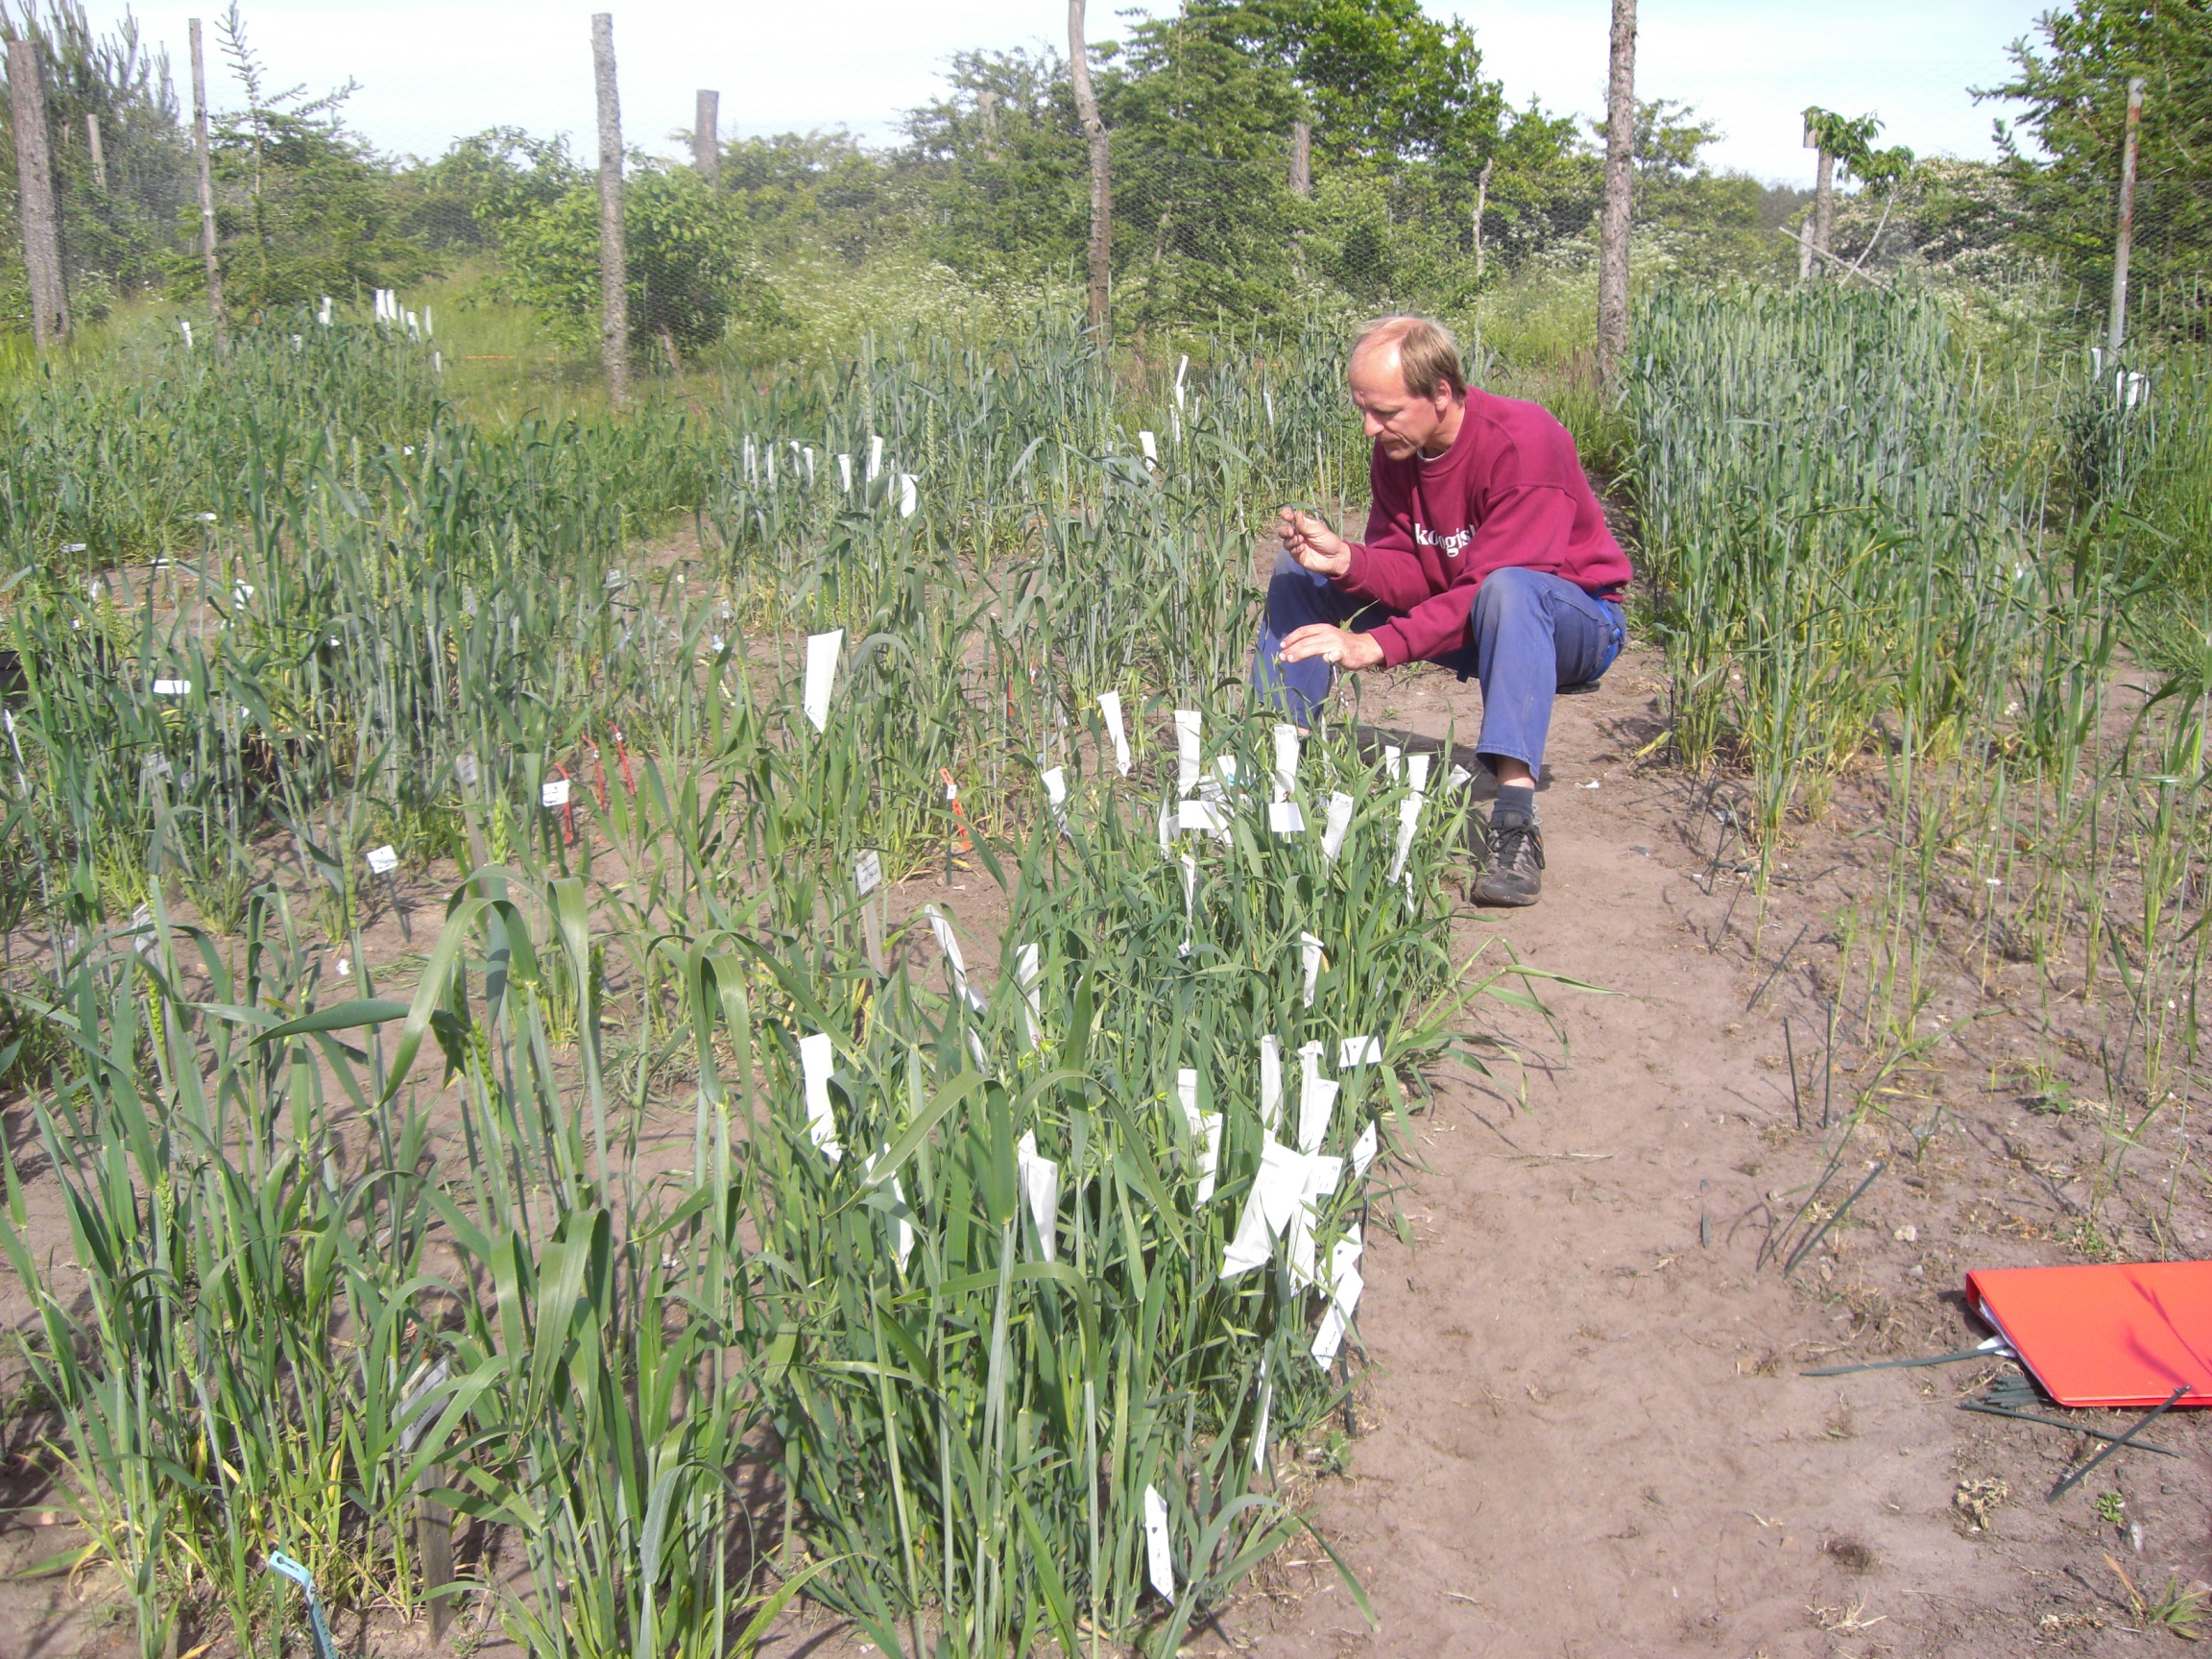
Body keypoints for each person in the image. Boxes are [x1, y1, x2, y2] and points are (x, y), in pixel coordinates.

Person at [1252, 314, 1631, 907]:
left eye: (1385, 411)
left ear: (1442, 393)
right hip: (1474, 612)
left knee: (1509, 586)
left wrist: (1373, 645)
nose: (1369, 428)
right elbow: (1414, 571)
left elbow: (1487, 587)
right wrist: (1347, 561)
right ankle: (1277, 764)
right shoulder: (1401, 452)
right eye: (1362, 409)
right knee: (1298, 569)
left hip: (1572, 627)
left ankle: (1513, 822)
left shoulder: (1524, 441)